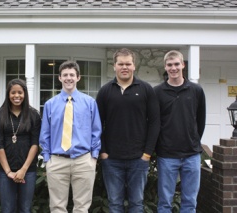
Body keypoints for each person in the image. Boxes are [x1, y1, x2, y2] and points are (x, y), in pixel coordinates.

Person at [96, 48, 160, 212]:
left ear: (134, 66)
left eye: (128, 64)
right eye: (121, 64)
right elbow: (96, 124)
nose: (124, 67)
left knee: (137, 203)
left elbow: (154, 122)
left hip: (138, 159)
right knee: (115, 204)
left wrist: (147, 153)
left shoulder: (146, 90)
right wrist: (103, 152)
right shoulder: (105, 91)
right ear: (114, 66)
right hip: (112, 159)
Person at [39, 60, 102, 212]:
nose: (69, 78)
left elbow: (96, 130)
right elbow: (45, 133)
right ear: (59, 78)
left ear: (78, 78)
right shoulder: (50, 104)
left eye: (72, 75)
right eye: (65, 75)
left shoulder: (89, 103)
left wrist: (93, 156)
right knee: (57, 207)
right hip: (57, 161)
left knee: (81, 207)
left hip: (83, 160)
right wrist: (47, 158)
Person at [154, 50, 206, 213]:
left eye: (177, 64)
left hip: (191, 155)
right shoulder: (157, 92)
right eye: (169, 65)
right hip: (167, 155)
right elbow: (154, 122)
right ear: (165, 67)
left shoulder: (196, 91)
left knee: (190, 202)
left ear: (183, 65)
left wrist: (193, 140)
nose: (173, 68)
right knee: (164, 202)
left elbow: (200, 121)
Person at [0, 79, 41, 213]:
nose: (16, 96)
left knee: (25, 208)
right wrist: (8, 171)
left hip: (28, 170)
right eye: (13, 92)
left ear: (25, 94)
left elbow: (35, 143)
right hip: (5, 171)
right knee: (7, 209)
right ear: (8, 94)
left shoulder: (33, 115)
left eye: (20, 92)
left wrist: (23, 170)